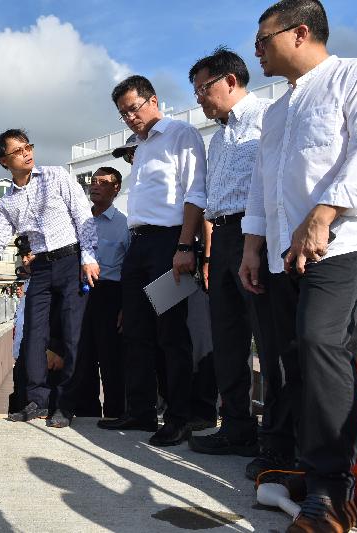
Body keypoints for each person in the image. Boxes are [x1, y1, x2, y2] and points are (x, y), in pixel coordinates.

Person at [239, 1, 357, 530]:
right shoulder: (275, 111)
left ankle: (334, 492)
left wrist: (327, 209)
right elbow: (263, 183)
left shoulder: (352, 76)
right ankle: (306, 468)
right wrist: (251, 245)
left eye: (263, 40)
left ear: (301, 32)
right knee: (288, 358)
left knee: (321, 344)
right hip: (278, 256)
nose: (258, 52)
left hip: (340, 243)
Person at [0, 129, 99, 428]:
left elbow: (82, 213)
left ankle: (65, 404)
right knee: (33, 335)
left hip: (71, 259)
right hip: (42, 266)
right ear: (4, 161)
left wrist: (89, 256)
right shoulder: (8, 202)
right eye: (17, 151)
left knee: (73, 336)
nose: (27, 153)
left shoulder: (56, 176)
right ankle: (36, 401)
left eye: (28, 146)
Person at [184, 47, 288, 467]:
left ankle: (277, 438)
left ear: (231, 80)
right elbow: (210, 198)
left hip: (257, 235)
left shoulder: (268, 117)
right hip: (223, 238)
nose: (200, 99)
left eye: (203, 88)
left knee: (268, 338)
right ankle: (237, 427)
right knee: (228, 340)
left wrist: (257, 241)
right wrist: (207, 252)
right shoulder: (219, 137)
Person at [97, 75, 207, 448]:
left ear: (152, 100)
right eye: (123, 113)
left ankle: (178, 418)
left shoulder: (180, 134)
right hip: (138, 245)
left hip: (169, 243)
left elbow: (195, 193)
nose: (129, 117)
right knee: (137, 332)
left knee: (171, 334)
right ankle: (140, 410)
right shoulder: (139, 148)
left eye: (133, 108)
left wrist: (185, 246)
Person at [74, 167, 129, 418]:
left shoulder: (124, 225)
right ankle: (86, 412)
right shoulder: (80, 220)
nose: (95, 186)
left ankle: (116, 413)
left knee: (112, 358)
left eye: (103, 183)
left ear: (116, 188)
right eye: (93, 182)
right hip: (82, 292)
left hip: (111, 293)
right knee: (82, 355)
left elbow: (131, 269)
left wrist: (125, 307)